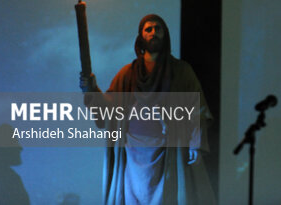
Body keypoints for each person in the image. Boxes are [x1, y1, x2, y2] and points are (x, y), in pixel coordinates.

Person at [80, 14, 216, 205]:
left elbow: (196, 108)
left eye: (158, 29)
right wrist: (91, 89)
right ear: (141, 36)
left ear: (165, 35)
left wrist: (196, 143)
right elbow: (108, 109)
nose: (153, 33)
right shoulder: (128, 73)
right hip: (133, 154)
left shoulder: (181, 71)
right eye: (148, 29)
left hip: (168, 151)